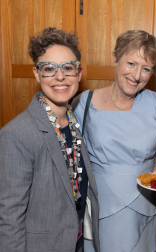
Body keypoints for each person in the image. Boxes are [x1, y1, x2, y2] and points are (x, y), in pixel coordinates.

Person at [0, 28, 100, 252]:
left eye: (68, 68)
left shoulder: (74, 122)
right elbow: (9, 217)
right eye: (49, 68)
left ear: (79, 73)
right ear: (36, 74)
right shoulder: (17, 133)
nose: (60, 77)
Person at [72, 30, 156, 252]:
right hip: (98, 206)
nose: (137, 75)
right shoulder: (83, 103)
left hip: (143, 205)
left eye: (146, 69)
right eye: (131, 63)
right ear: (115, 58)